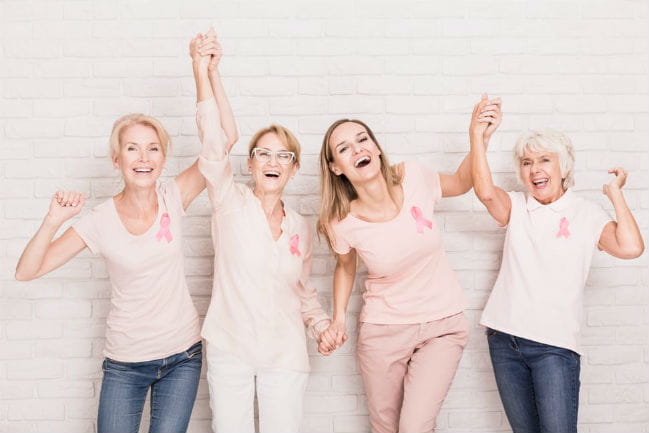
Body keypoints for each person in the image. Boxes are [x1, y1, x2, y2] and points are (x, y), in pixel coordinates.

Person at [13, 34, 237, 433]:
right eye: (132, 149)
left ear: (163, 158)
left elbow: (223, 142)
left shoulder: (174, 195)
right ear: (117, 160)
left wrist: (203, 72)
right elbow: (27, 271)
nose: (144, 158)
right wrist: (52, 221)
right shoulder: (99, 219)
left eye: (152, 149)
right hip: (124, 365)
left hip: (183, 357)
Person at [469, 94, 645, 433]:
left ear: (563, 166)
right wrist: (477, 136)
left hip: (555, 348)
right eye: (526, 162)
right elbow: (486, 193)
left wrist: (615, 194)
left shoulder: (586, 213)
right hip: (505, 340)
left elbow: (631, 247)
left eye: (544, 160)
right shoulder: (518, 207)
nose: (535, 169)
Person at [190, 29, 332, 433]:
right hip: (229, 345)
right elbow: (213, 139)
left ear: (293, 168)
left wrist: (322, 328)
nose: (273, 161)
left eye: (283, 155)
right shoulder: (228, 201)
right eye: (263, 154)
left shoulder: (300, 227)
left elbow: (303, 293)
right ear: (250, 164)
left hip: (284, 352)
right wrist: (206, 73)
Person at [315, 115, 490, 432]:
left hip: (442, 325)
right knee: (386, 428)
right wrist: (338, 318)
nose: (357, 149)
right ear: (335, 167)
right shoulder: (340, 221)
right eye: (344, 148)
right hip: (383, 333)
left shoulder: (413, 177)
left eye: (363, 139)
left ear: (376, 148)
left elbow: (463, 182)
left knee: (414, 427)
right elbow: (344, 266)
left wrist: (478, 136)